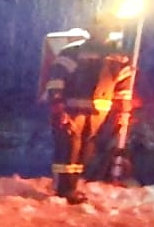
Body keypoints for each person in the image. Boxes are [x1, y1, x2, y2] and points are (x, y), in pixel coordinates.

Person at [43, 14, 134, 204]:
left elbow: (123, 86)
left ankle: (71, 187)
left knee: (85, 151)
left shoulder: (119, 57)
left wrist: (123, 111)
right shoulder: (73, 52)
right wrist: (58, 105)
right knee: (68, 148)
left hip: (99, 113)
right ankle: (65, 189)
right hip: (72, 110)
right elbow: (57, 79)